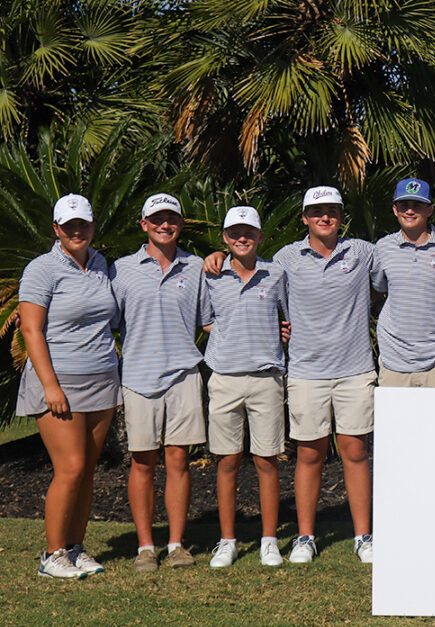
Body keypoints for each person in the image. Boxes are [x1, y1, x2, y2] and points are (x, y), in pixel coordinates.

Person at [203, 186, 435, 564]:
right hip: (306, 372)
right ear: (304, 217)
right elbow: (253, 272)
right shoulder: (286, 258)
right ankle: (305, 537)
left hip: (354, 370)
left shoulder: (363, 252)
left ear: (341, 217)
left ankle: (362, 536)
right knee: (309, 453)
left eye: (332, 211)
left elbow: (403, 262)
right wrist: (218, 255)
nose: (325, 217)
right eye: (316, 212)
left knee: (355, 452)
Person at [18, 195, 120, 578]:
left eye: (84, 225)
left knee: (88, 469)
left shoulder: (100, 265)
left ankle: (75, 549)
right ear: (56, 229)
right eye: (69, 226)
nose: (77, 231)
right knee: (71, 467)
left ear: (93, 227)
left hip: (102, 379)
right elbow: (31, 329)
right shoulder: (42, 269)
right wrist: (51, 387)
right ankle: (52, 555)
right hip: (60, 382)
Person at [111, 193, 211, 571]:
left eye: (172, 219)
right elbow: (105, 321)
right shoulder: (120, 270)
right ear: (144, 225)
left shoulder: (197, 267)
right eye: (157, 219)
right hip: (138, 378)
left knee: (178, 460)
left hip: (184, 375)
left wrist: (268, 329)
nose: (164, 225)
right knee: (142, 463)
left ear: (181, 224)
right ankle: (145, 548)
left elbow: (209, 320)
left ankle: (176, 545)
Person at [203, 206, 289, 568]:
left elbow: (288, 318)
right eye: (235, 232)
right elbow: (205, 322)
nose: (242, 238)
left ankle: (269, 540)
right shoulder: (210, 275)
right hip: (223, 378)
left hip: (266, 377)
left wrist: (281, 332)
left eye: (249, 232)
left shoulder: (277, 273)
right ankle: (227, 541)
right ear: (225, 238)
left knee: (266, 460)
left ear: (260, 237)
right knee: (227, 461)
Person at [372, 178, 435, 387]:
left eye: (417, 205)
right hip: (393, 360)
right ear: (395, 209)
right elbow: (378, 289)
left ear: (429, 210)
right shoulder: (383, 247)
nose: (410, 211)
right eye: (404, 205)